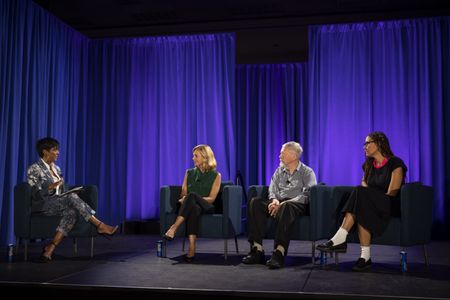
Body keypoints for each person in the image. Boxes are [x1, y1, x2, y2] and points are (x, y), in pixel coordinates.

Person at [316, 131, 407, 271]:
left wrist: (372, 198)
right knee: (361, 203)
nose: (364, 146)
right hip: (370, 203)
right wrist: (369, 199)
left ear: (379, 143)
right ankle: (365, 258)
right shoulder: (368, 165)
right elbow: (364, 186)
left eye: (367, 143)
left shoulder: (395, 162)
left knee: (360, 194)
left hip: (389, 203)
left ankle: (340, 238)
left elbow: (393, 192)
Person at [27, 137, 119, 262]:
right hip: (44, 204)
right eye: (55, 150)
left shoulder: (56, 168)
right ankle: (100, 225)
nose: (58, 152)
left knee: (71, 212)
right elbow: (34, 193)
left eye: (58, 149)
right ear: (45, 151)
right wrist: (50, 188)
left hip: (59, 202)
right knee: (71, 198)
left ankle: (49, 249)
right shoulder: (34, 169)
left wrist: (69, 192)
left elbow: (61, 190)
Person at [242, 141, 317, 269]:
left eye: (282, 153)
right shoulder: (279, 171)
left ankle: (279, 252)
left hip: (296, 204)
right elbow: (272, 188)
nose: (279, 156)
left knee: (287, 207)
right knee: (255, 202)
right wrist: (274, 200)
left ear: (293, 155)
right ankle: (257, 250)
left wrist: (287, 202)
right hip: (278, 202)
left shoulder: (307, 172)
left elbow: (308, 194)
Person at [163, 144, 222, 262]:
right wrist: (184, 199)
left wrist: (192, 197)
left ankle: (174, 228)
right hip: (191, 206)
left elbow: (212, 198)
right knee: (193, 208)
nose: (193, 158)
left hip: (207, 206)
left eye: (196, 156)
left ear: (205, 158)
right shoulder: (189, 173)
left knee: (192, 196)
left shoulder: (216, 175)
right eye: (193, 156)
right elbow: (183, 194)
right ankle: (191, 249)